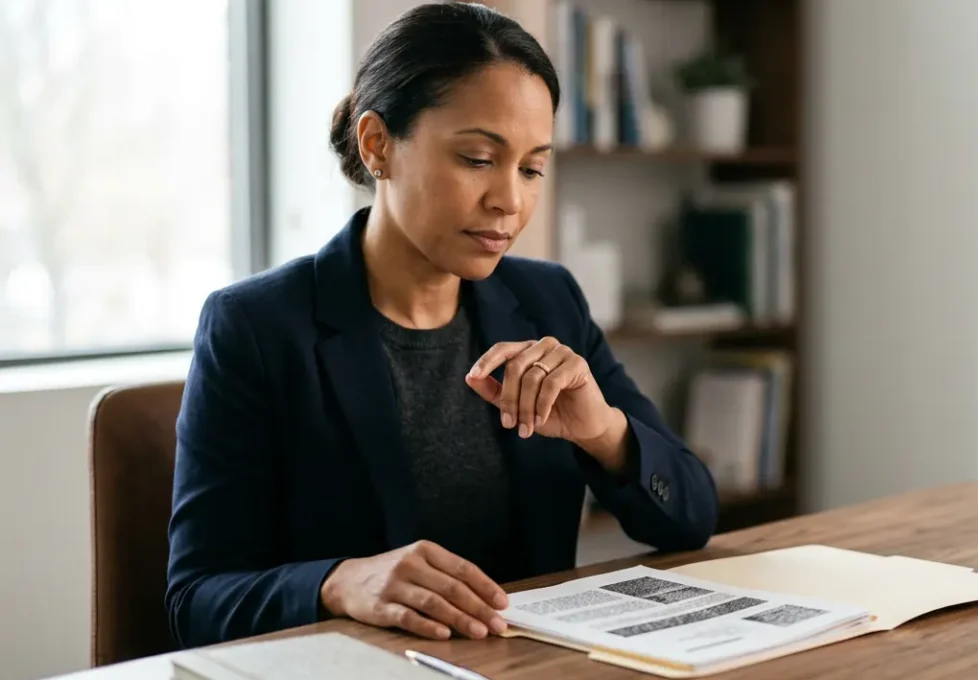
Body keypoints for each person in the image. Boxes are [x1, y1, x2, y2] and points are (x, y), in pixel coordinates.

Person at [165, 2, 718, 649]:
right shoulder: (255, 327)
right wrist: (336, 582)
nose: (510, 200)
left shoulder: (548, 299)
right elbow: (195, 599)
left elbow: (694, 516)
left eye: (532, 167)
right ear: (377, 145)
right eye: (479, 158)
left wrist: (606, 433)